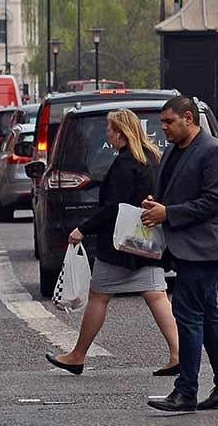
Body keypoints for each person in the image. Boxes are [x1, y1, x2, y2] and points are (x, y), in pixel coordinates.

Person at [46, 109, 181, 377]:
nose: (108, 134)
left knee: (99, 295)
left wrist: (83, 229)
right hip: (147, 240)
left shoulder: (124, 163)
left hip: (122, 245)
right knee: (156, 294)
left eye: (110, 129)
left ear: (120, 133)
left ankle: (77, 355)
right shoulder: (151, 158)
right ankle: (179, 354)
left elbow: (113, 208)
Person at [138, 96, 218, 413]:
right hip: (187, 245)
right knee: (208, 315)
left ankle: (185, 392)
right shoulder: (174, 150)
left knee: (188, 314)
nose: (164, 128)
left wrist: (168, 213)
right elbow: (176, 191)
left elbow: (213, 202)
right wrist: (158, 203)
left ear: (188, 117)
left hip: (207, 247)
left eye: (169, 122)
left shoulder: (214, 151)